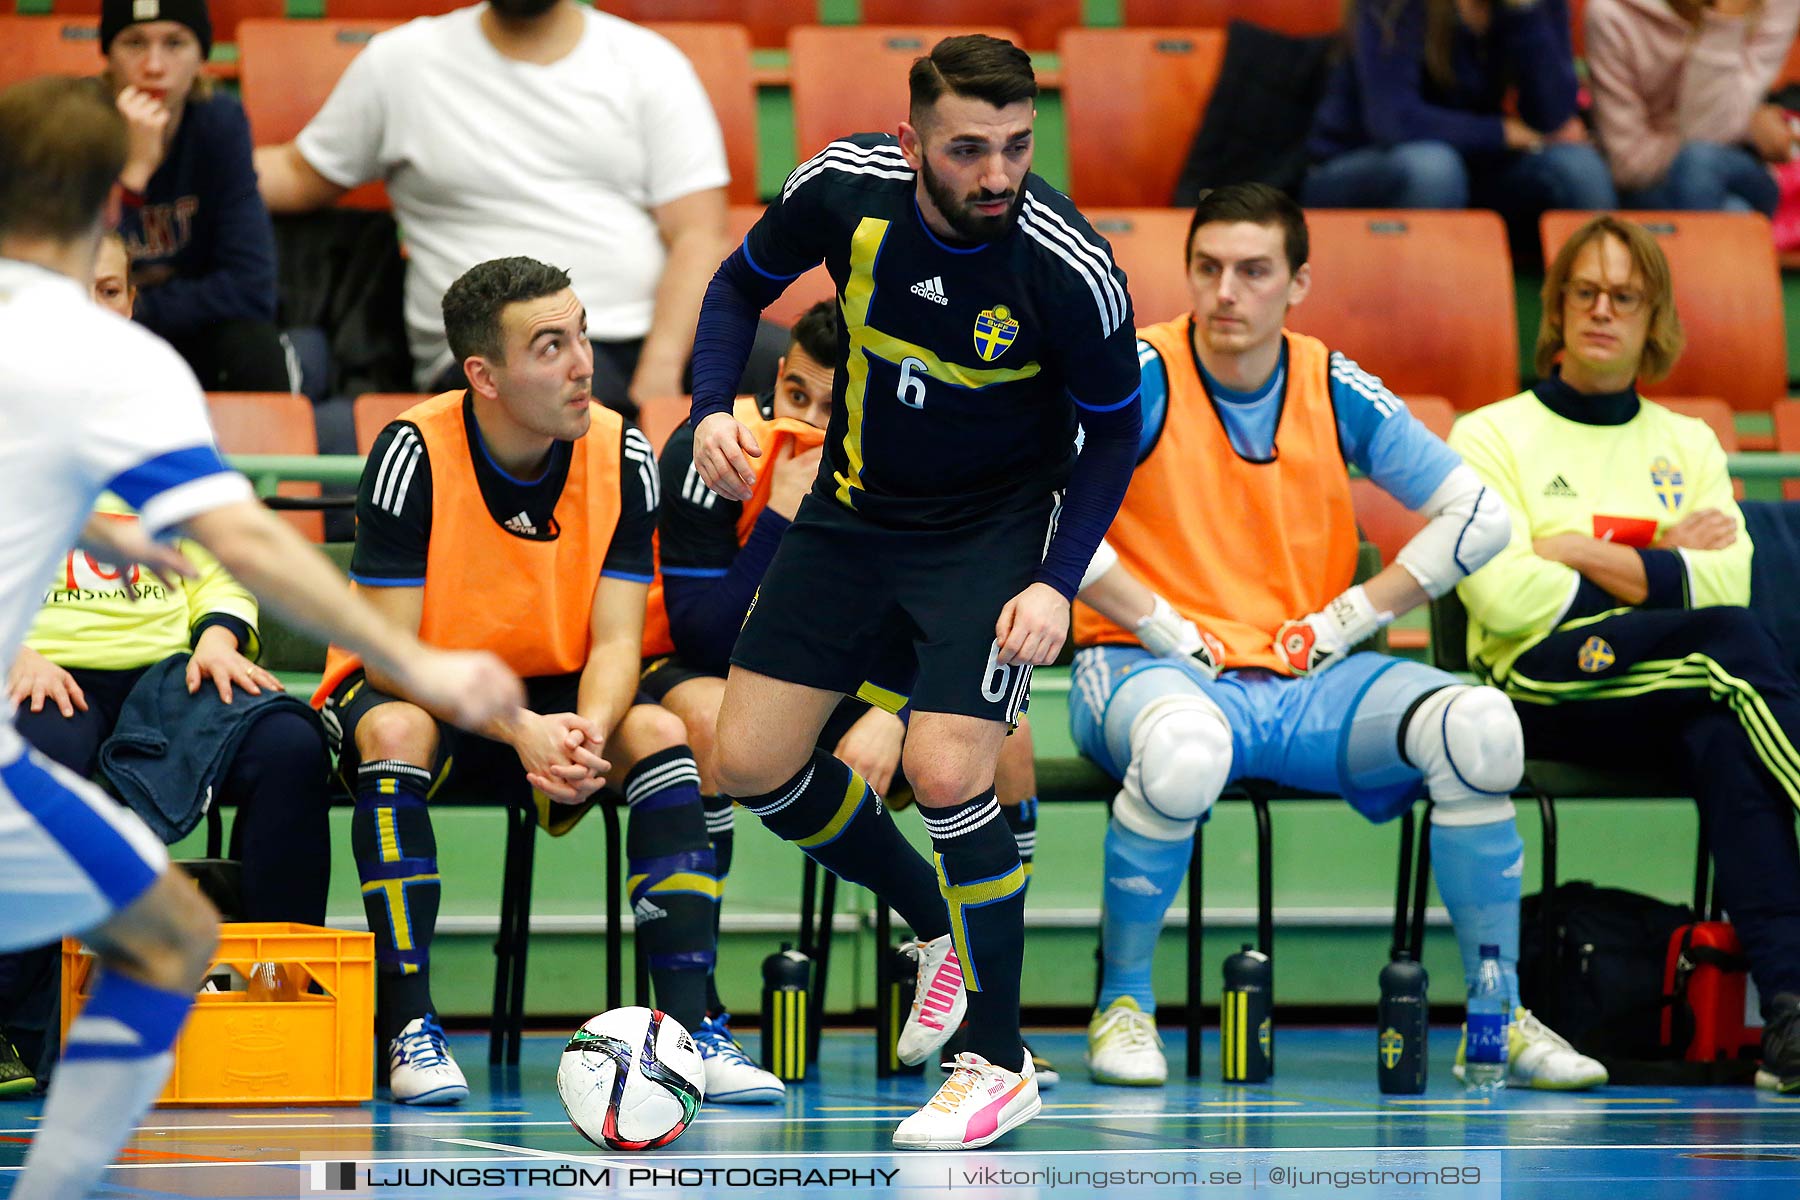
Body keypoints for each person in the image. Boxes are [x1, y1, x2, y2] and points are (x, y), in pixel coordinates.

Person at [0, 75, 519, 1200]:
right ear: (108, 199)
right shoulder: (109, 363)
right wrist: (421, 665)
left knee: (170, 933)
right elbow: (257, 543)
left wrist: (102, 532)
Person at [684, 34, 1142, 1149]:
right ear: (911, 142)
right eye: (969, 148)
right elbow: (735, 286)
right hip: (850, 513)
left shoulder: (1067, 265)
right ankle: (936, 921)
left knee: (945, 771)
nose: (997, 174)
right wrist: (707, 407)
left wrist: (1053, 580)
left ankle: (998, 1056)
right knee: (745, 762)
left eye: (1018, 146)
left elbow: (1116, 431)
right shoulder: (845, 189)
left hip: (988, 538)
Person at [1069, 183, 1606, 1092]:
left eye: (1253, 271)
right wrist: (1158, 623)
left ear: (1299, 283)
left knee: (1484, 729)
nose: (1225, 292)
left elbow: (1478, 517)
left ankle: (1497, 1013)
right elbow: (1042, 512)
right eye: (1207, 269)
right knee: (1185, 755)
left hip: (1303, 680)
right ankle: (1122, 1004)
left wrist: (1351, 617)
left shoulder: (1329, 380)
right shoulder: (1141, 370)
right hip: (1144, 668)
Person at [312, 255, 785, 1106]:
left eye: (582, 335)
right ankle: (410, 1026)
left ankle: (689, 1030)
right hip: (421, 690)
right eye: (549, 346)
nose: (581, 364)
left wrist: (585, 733)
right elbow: (388, 654)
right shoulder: (411, 450)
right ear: (483, 376)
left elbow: (615, 645)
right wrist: (518, 729)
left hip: (563, 699)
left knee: (662, 733)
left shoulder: (621, 450)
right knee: (393, 731)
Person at [643, 301, 1053, 1084]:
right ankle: (701, 1024)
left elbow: (931, 615)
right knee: (712, 723)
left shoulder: (914, 464)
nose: (808, 419)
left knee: (1008, 736)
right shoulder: (721, 451)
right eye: (796, 396)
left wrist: (892, 717)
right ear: (776, 382)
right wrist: (782, 519)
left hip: (862, 671)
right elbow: (702, 635)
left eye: (834, 407)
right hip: (720, 667)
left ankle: (996, 1017)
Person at [1449, 212, 1800, 1092]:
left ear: (1655, 319)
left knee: (1730, 732)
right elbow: (1506, 598)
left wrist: (1574, 547)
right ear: (1557, 311)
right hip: (1536, 687)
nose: (1603, 310)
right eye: (1586, 292)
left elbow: (1733, 580)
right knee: (1726, 648)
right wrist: (1663, 556)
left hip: (1673, 687)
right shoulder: (1489, 436)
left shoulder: (1689, 443)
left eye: (1626, 296)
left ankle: (1792, 1017)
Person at [0, 233, 333, 1097]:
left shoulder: (161, 416)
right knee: (36, 758)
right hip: (37, 671)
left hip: (168, 670)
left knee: (291, 747)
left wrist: (219, 637)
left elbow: (219, 560)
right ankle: (17, 1029)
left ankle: (278, 1004)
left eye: (110, 290)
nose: (95, 311)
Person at [253, 0, 780, 413]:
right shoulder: (400, 63)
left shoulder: (647, 62)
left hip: (651, 340)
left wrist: (661, 373)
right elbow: (298, 176)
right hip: (497, 355)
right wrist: (182, 154)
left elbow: (698, 232)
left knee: (810, 373)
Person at [1305, 0, 1616, 237]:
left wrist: (1525, 12)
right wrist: (1503, 132)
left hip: (1473, 167)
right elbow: (1393, 122)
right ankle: (1426, 307)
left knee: (1580, 168)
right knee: (1434, 168)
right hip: (1360, 166)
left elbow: (1552, 116)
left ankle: (1596, 302)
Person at [101, 0, 289, 391]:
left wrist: (137, 302)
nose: (154, 66)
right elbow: (68, 288)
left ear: (201, 56)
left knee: (255, 346)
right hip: (99, 337)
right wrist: (133, 175)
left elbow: (252, 288)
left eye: (175, 43)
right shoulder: (76, 122)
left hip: (187, 331)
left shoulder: (219, 125)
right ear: (108, 55)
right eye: (134, 43)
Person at [1585, 0, 1799, 214]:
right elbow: (1630, 164)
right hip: (1654, 182)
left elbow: (1709, 132)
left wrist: (1726, 20)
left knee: (1702, 165)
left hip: (1737, 166)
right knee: (1732, 207)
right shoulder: (1612, 11)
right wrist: (1747, 129)